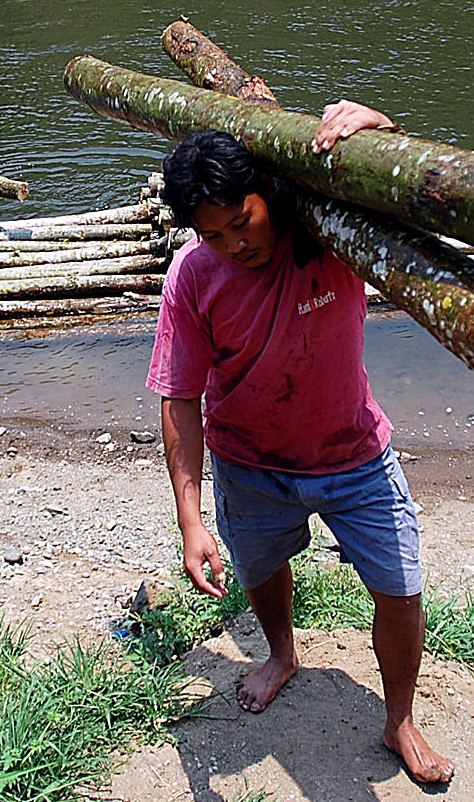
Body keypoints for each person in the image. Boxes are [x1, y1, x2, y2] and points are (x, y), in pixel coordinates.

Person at [146, 101, 454, 785]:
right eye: (213, 233)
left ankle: (398, 717)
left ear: (267, 192)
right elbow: (179, 397)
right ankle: (281, 653)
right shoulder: (193, 276)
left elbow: (408, 199)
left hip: (354, 452)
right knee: (260, 568)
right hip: (249, 460)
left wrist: (382, 128)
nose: (234, 243)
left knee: (400, 590)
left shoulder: (331, 233)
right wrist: (190, 520)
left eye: (241, 221)